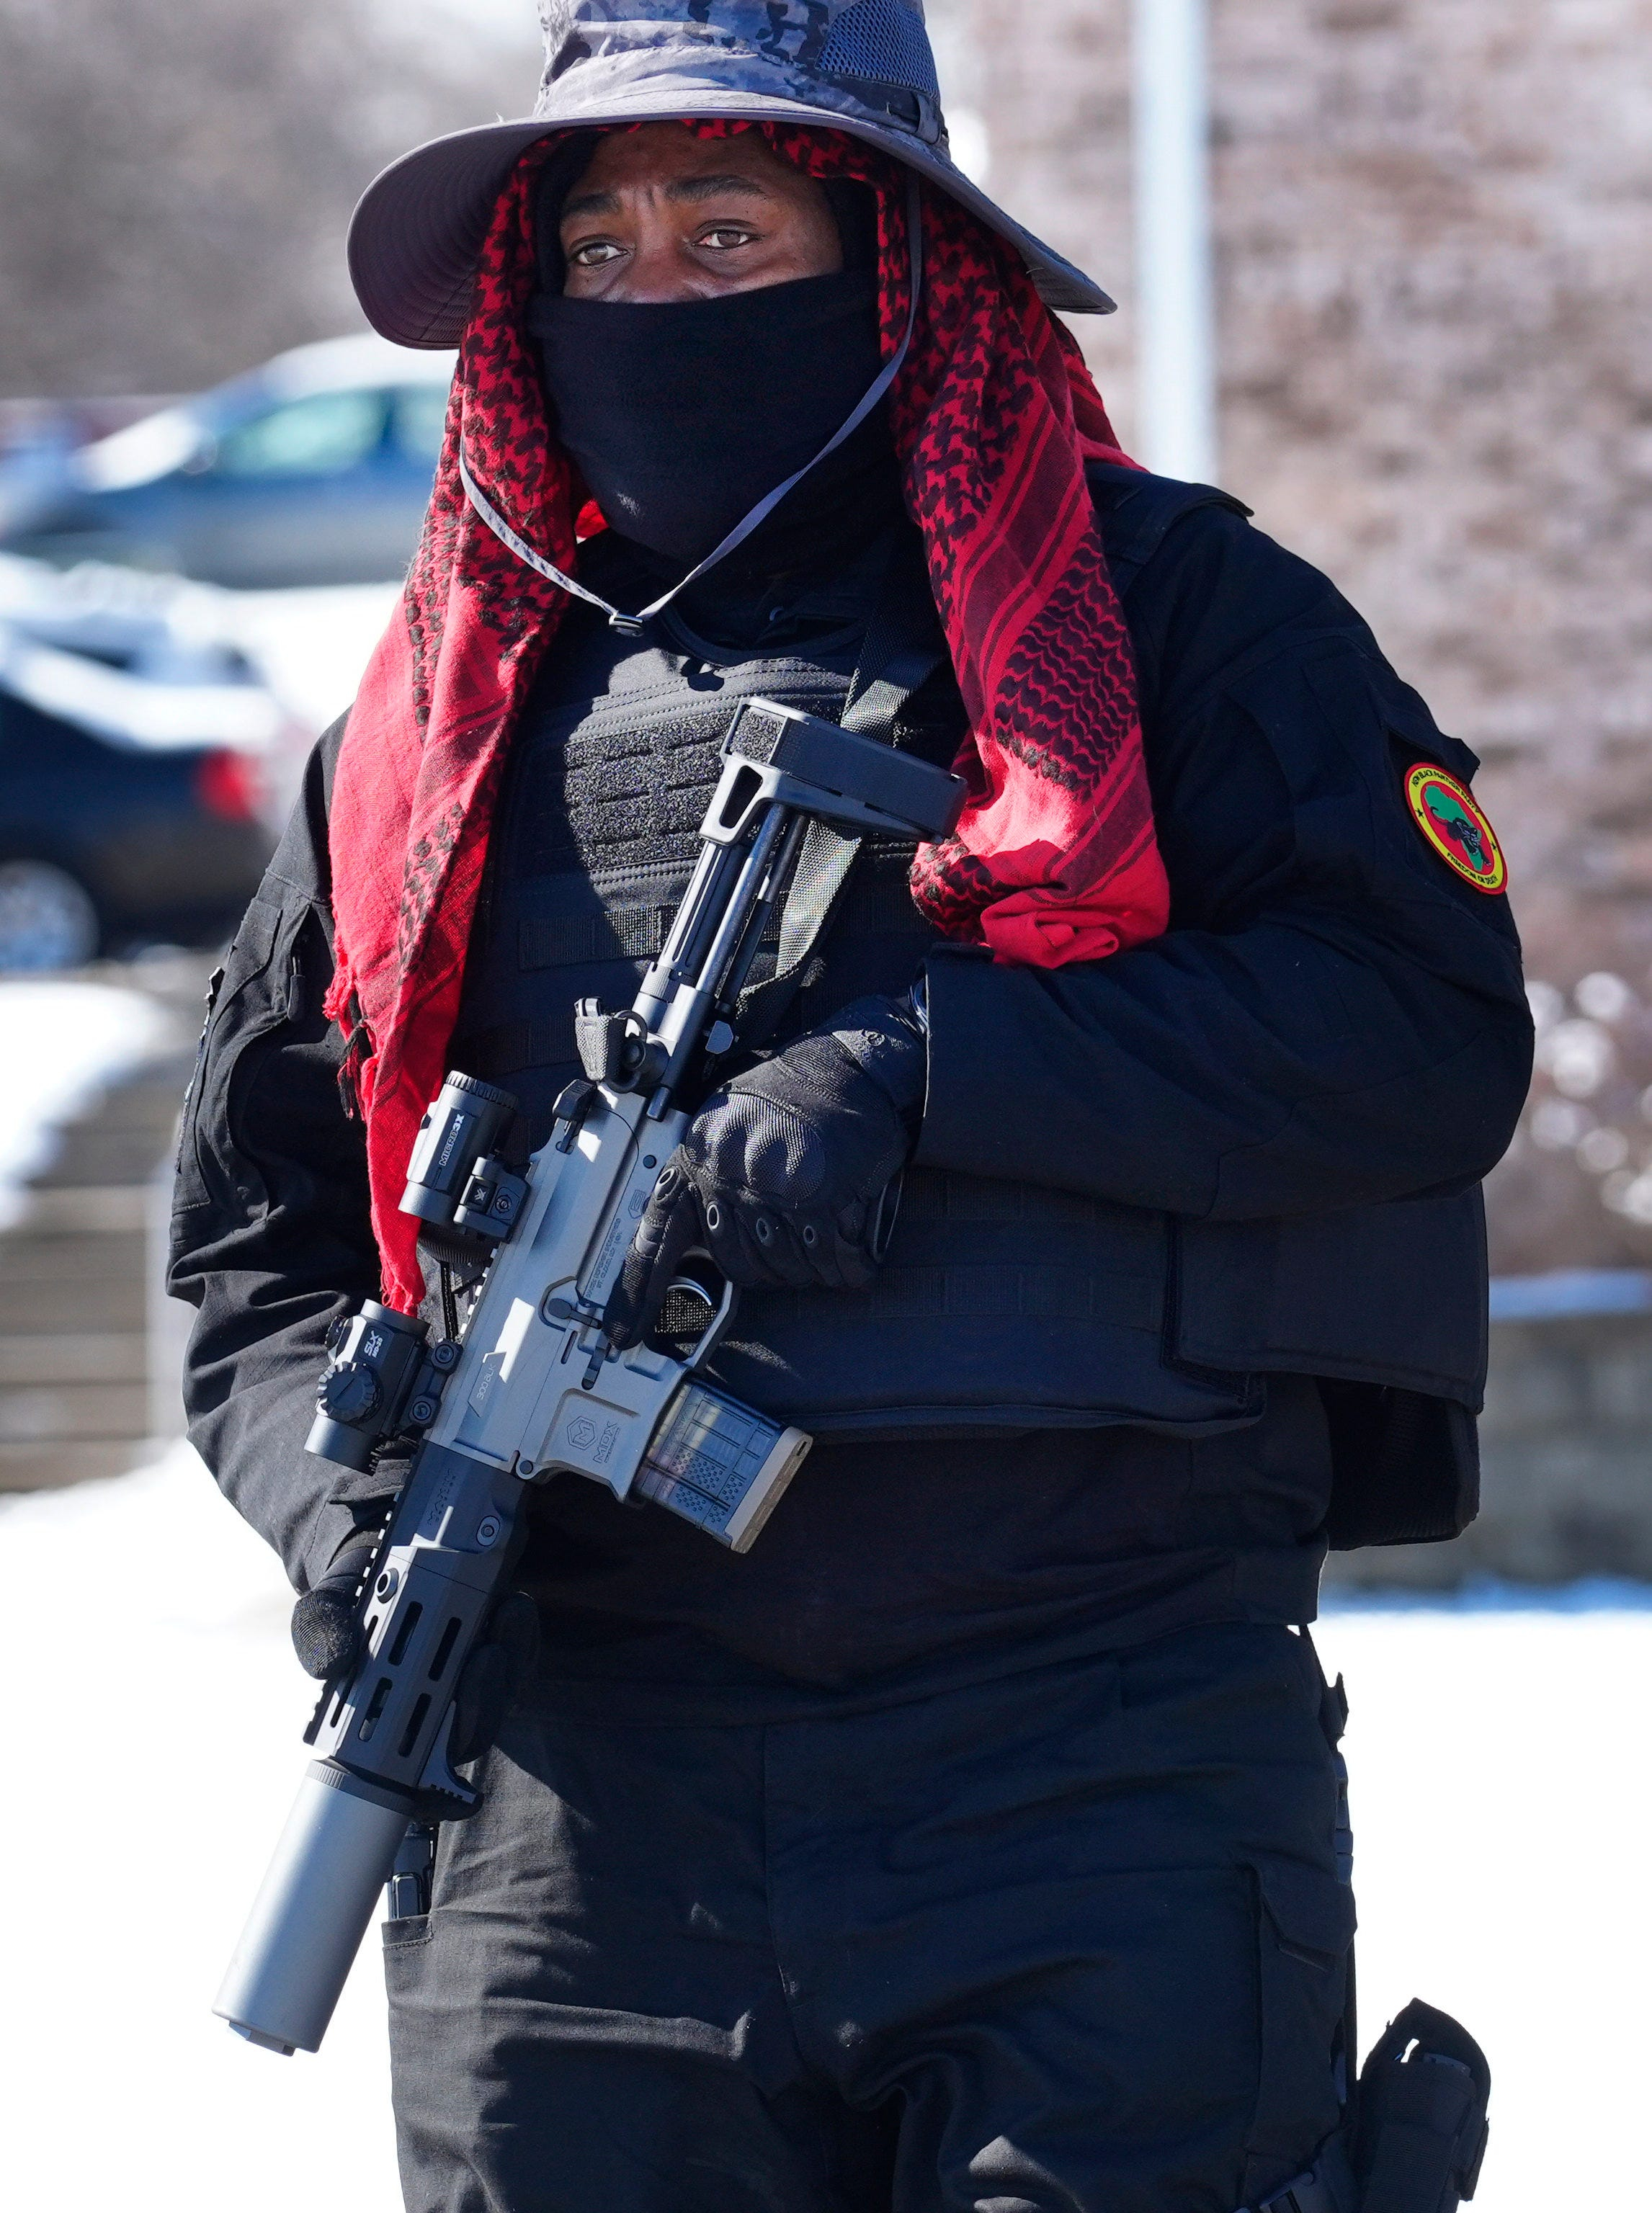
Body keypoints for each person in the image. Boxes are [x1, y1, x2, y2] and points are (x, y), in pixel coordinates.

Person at [169, 6, 1528, 2209]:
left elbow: (1416, 1029)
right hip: (574, 1822)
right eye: (596, 251)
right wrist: (354, 1521)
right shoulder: (436, 736)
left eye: (729, 232)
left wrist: (933, 1071)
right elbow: (256, 1244)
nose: (655, 294)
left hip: (1092, 1760)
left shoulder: (1175, 623)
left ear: (894, 259)